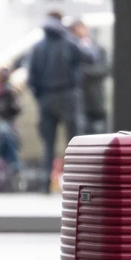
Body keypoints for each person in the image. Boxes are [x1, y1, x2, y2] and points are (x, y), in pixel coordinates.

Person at [24, 11, 85, 190]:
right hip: (68, 96)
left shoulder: (37, 47)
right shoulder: (69, 42)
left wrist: (40, 96)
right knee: (74, 142)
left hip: (46, 98)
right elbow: (90, 57)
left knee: (48, 143)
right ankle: (77, 182)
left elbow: (30, 78)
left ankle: (45, 184)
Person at [68, 19, 109, 135]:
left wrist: (83, 71)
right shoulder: (71, 48)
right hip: (80, 99)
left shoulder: (99, 48)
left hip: (96, 97)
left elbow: (104, 69)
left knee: (100, 131)